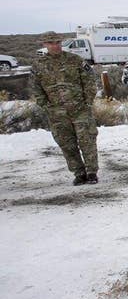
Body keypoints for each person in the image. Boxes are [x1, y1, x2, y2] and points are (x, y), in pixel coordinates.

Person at [31, 31, 100, 186]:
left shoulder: (75, 60)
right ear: (44, 44)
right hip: (57, 113)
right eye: (50, 43)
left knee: (87, 140)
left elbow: (89, 81)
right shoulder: (38, 65)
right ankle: (79, 173)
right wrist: (46, 106)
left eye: (57, 42)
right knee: (67, 144)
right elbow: (35, 88)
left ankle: (91, 172)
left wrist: (87, 102)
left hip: (80, 109)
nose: (54, 45)